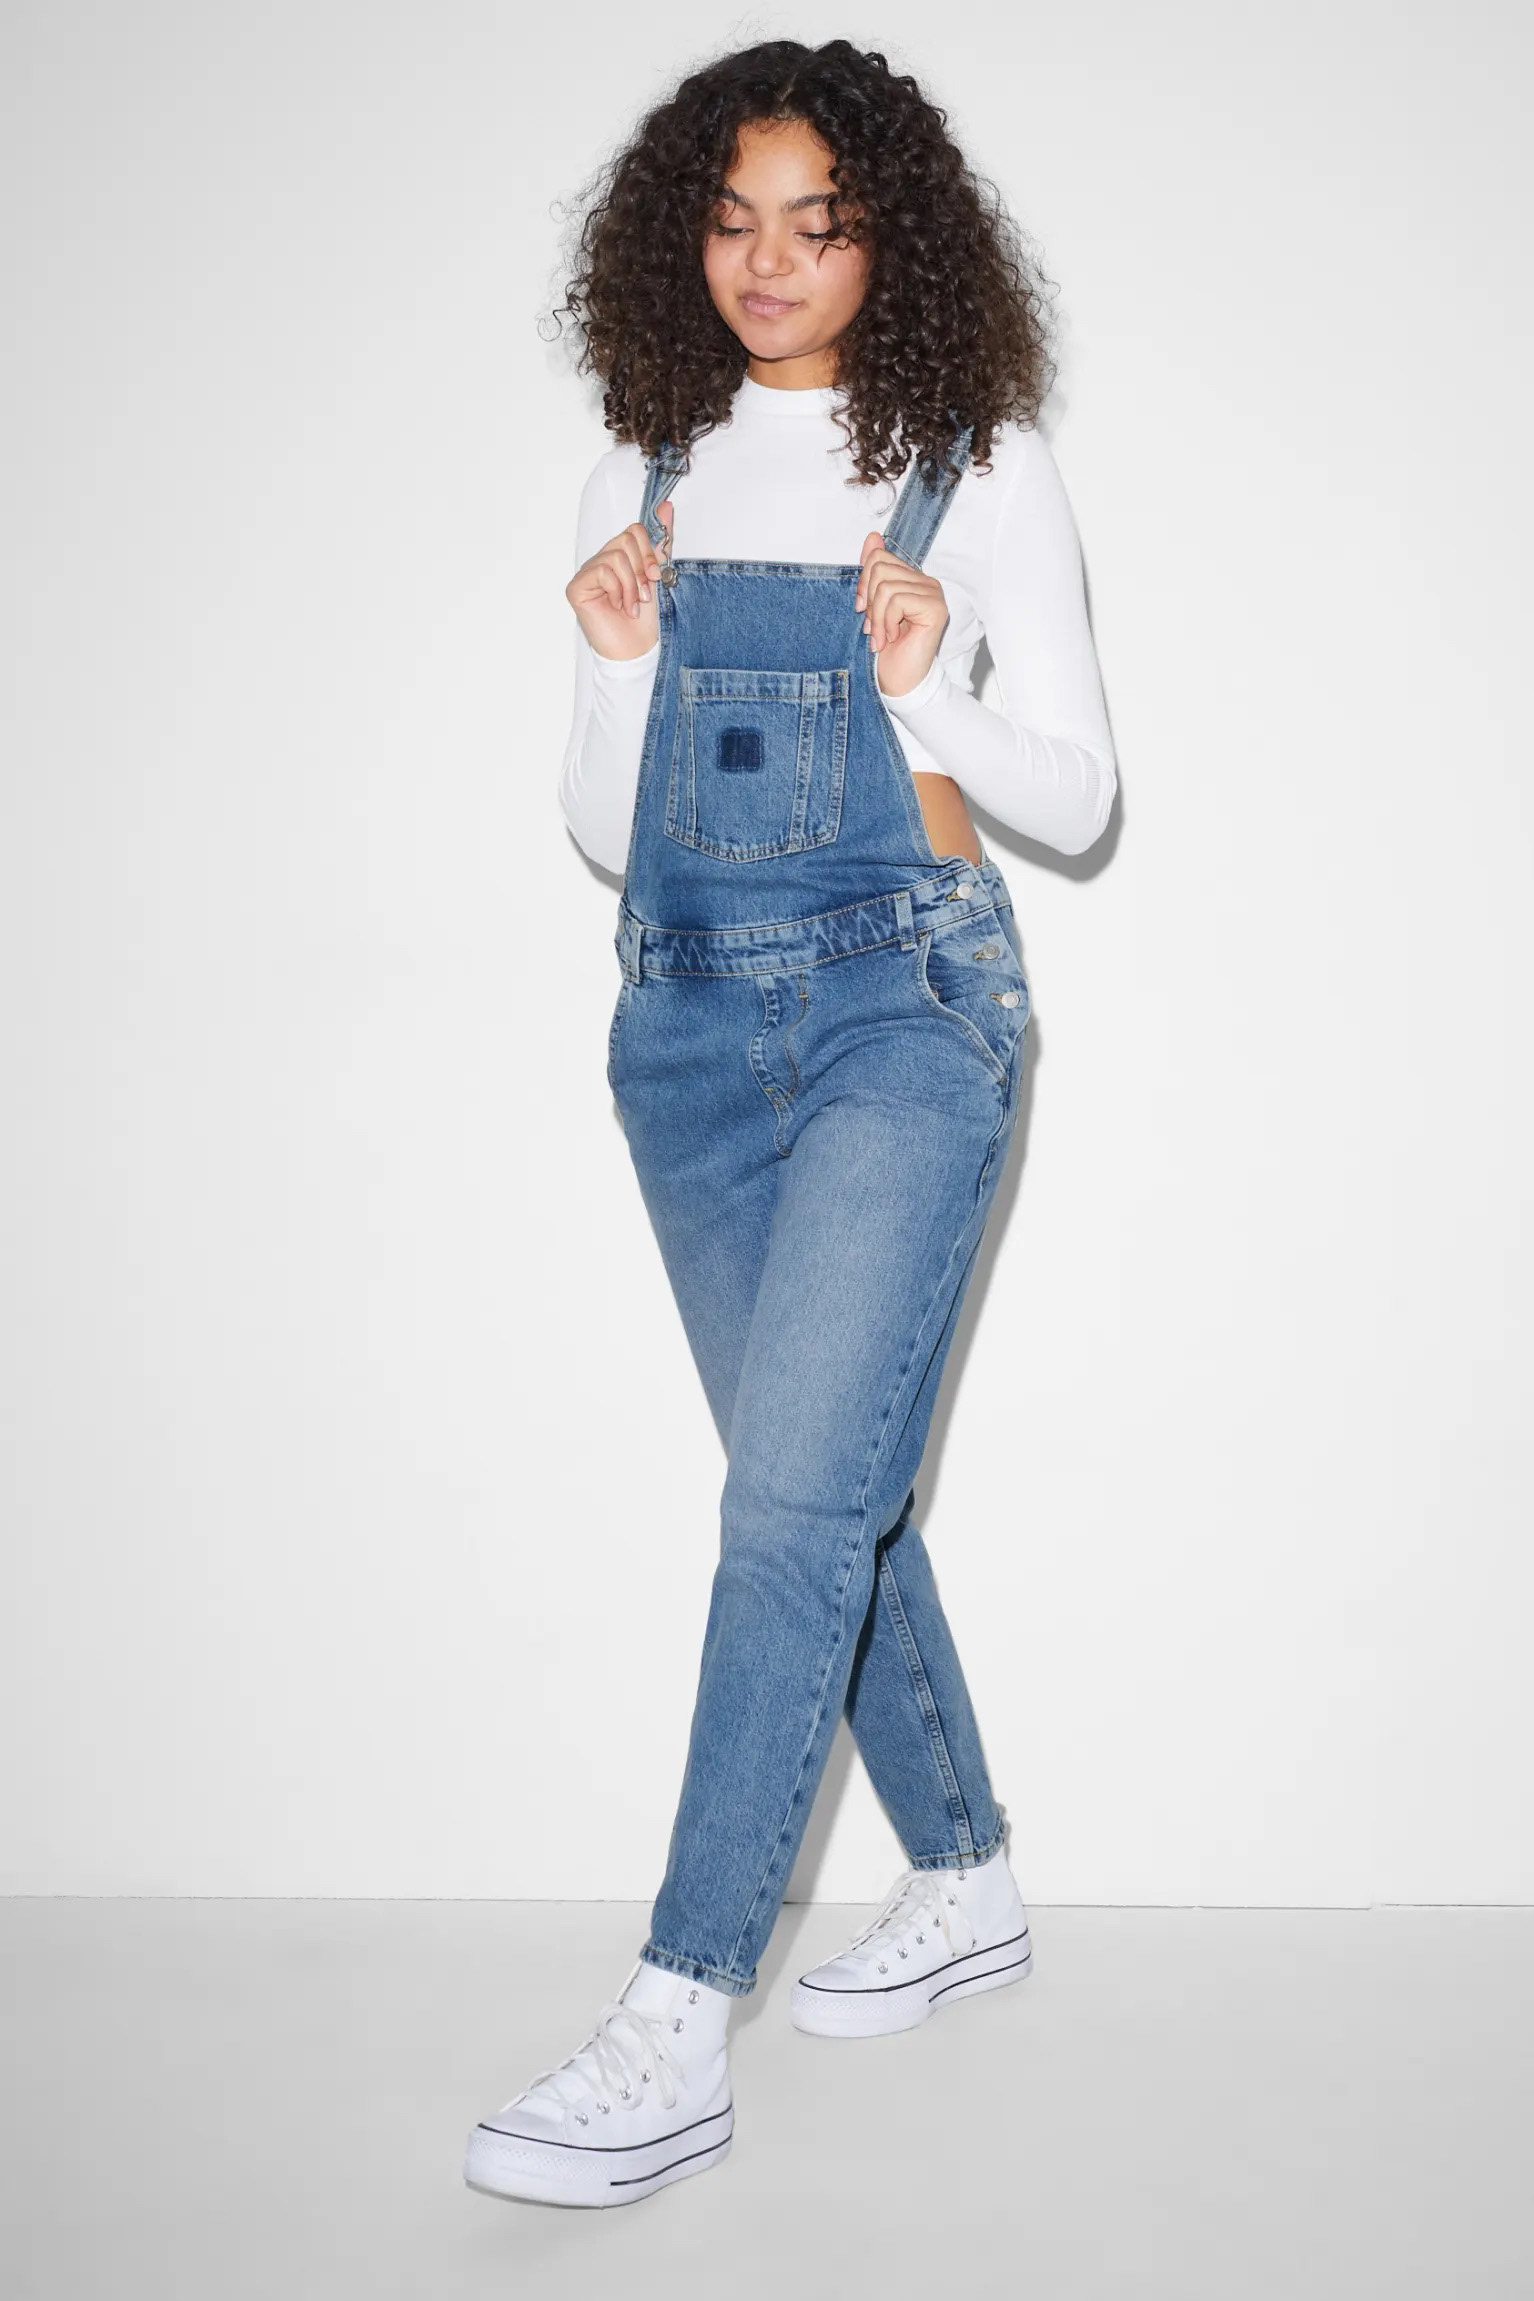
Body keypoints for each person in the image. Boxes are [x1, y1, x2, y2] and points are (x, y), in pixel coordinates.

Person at [465, 37, 1116, 2210]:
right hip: (677, 1022)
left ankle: (675, 2019)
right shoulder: (637, 469)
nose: (765, 262)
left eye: (813, 224)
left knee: (783, 1509)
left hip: (901, 1009)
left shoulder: (971, 460)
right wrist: (612, 664)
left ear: (884, 242)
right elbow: (605, 829)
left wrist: (929, 687)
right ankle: (966, 1875)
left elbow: (1077, 797)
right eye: (731, 221)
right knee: (825, 1496)